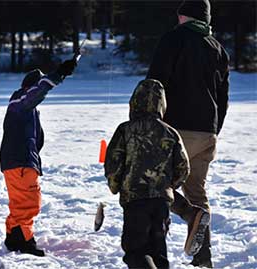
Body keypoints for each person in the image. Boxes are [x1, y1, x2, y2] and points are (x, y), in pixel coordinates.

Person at [146, 0, 230, 267]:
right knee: (197, 190)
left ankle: (158, 249)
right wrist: (213, 128)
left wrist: (149, 121)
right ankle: (203, 256)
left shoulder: (174, 39)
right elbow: (223, 97)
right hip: (207, 131)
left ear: (185, 16)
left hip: (176, 129)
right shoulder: (218, 48)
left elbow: (155, 83)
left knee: (156, 186)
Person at [104, 79, 190, 269]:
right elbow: (183, 167)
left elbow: (113, 162)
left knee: (136, 250)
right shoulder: (170, 132)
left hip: (135, 199)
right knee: (158, 250)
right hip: (161, 201)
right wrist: (167, 185)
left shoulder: (125, 130)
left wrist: (116, 185)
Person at [0, 59, 77, 256]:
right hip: (20, 162)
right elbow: (38, 91)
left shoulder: (26, 110)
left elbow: (36, 140)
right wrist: (59, 74)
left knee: (21, 202)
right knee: (29, 203)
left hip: (20, 162)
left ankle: (14, 237)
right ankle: (24, 241)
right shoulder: (21, 102)